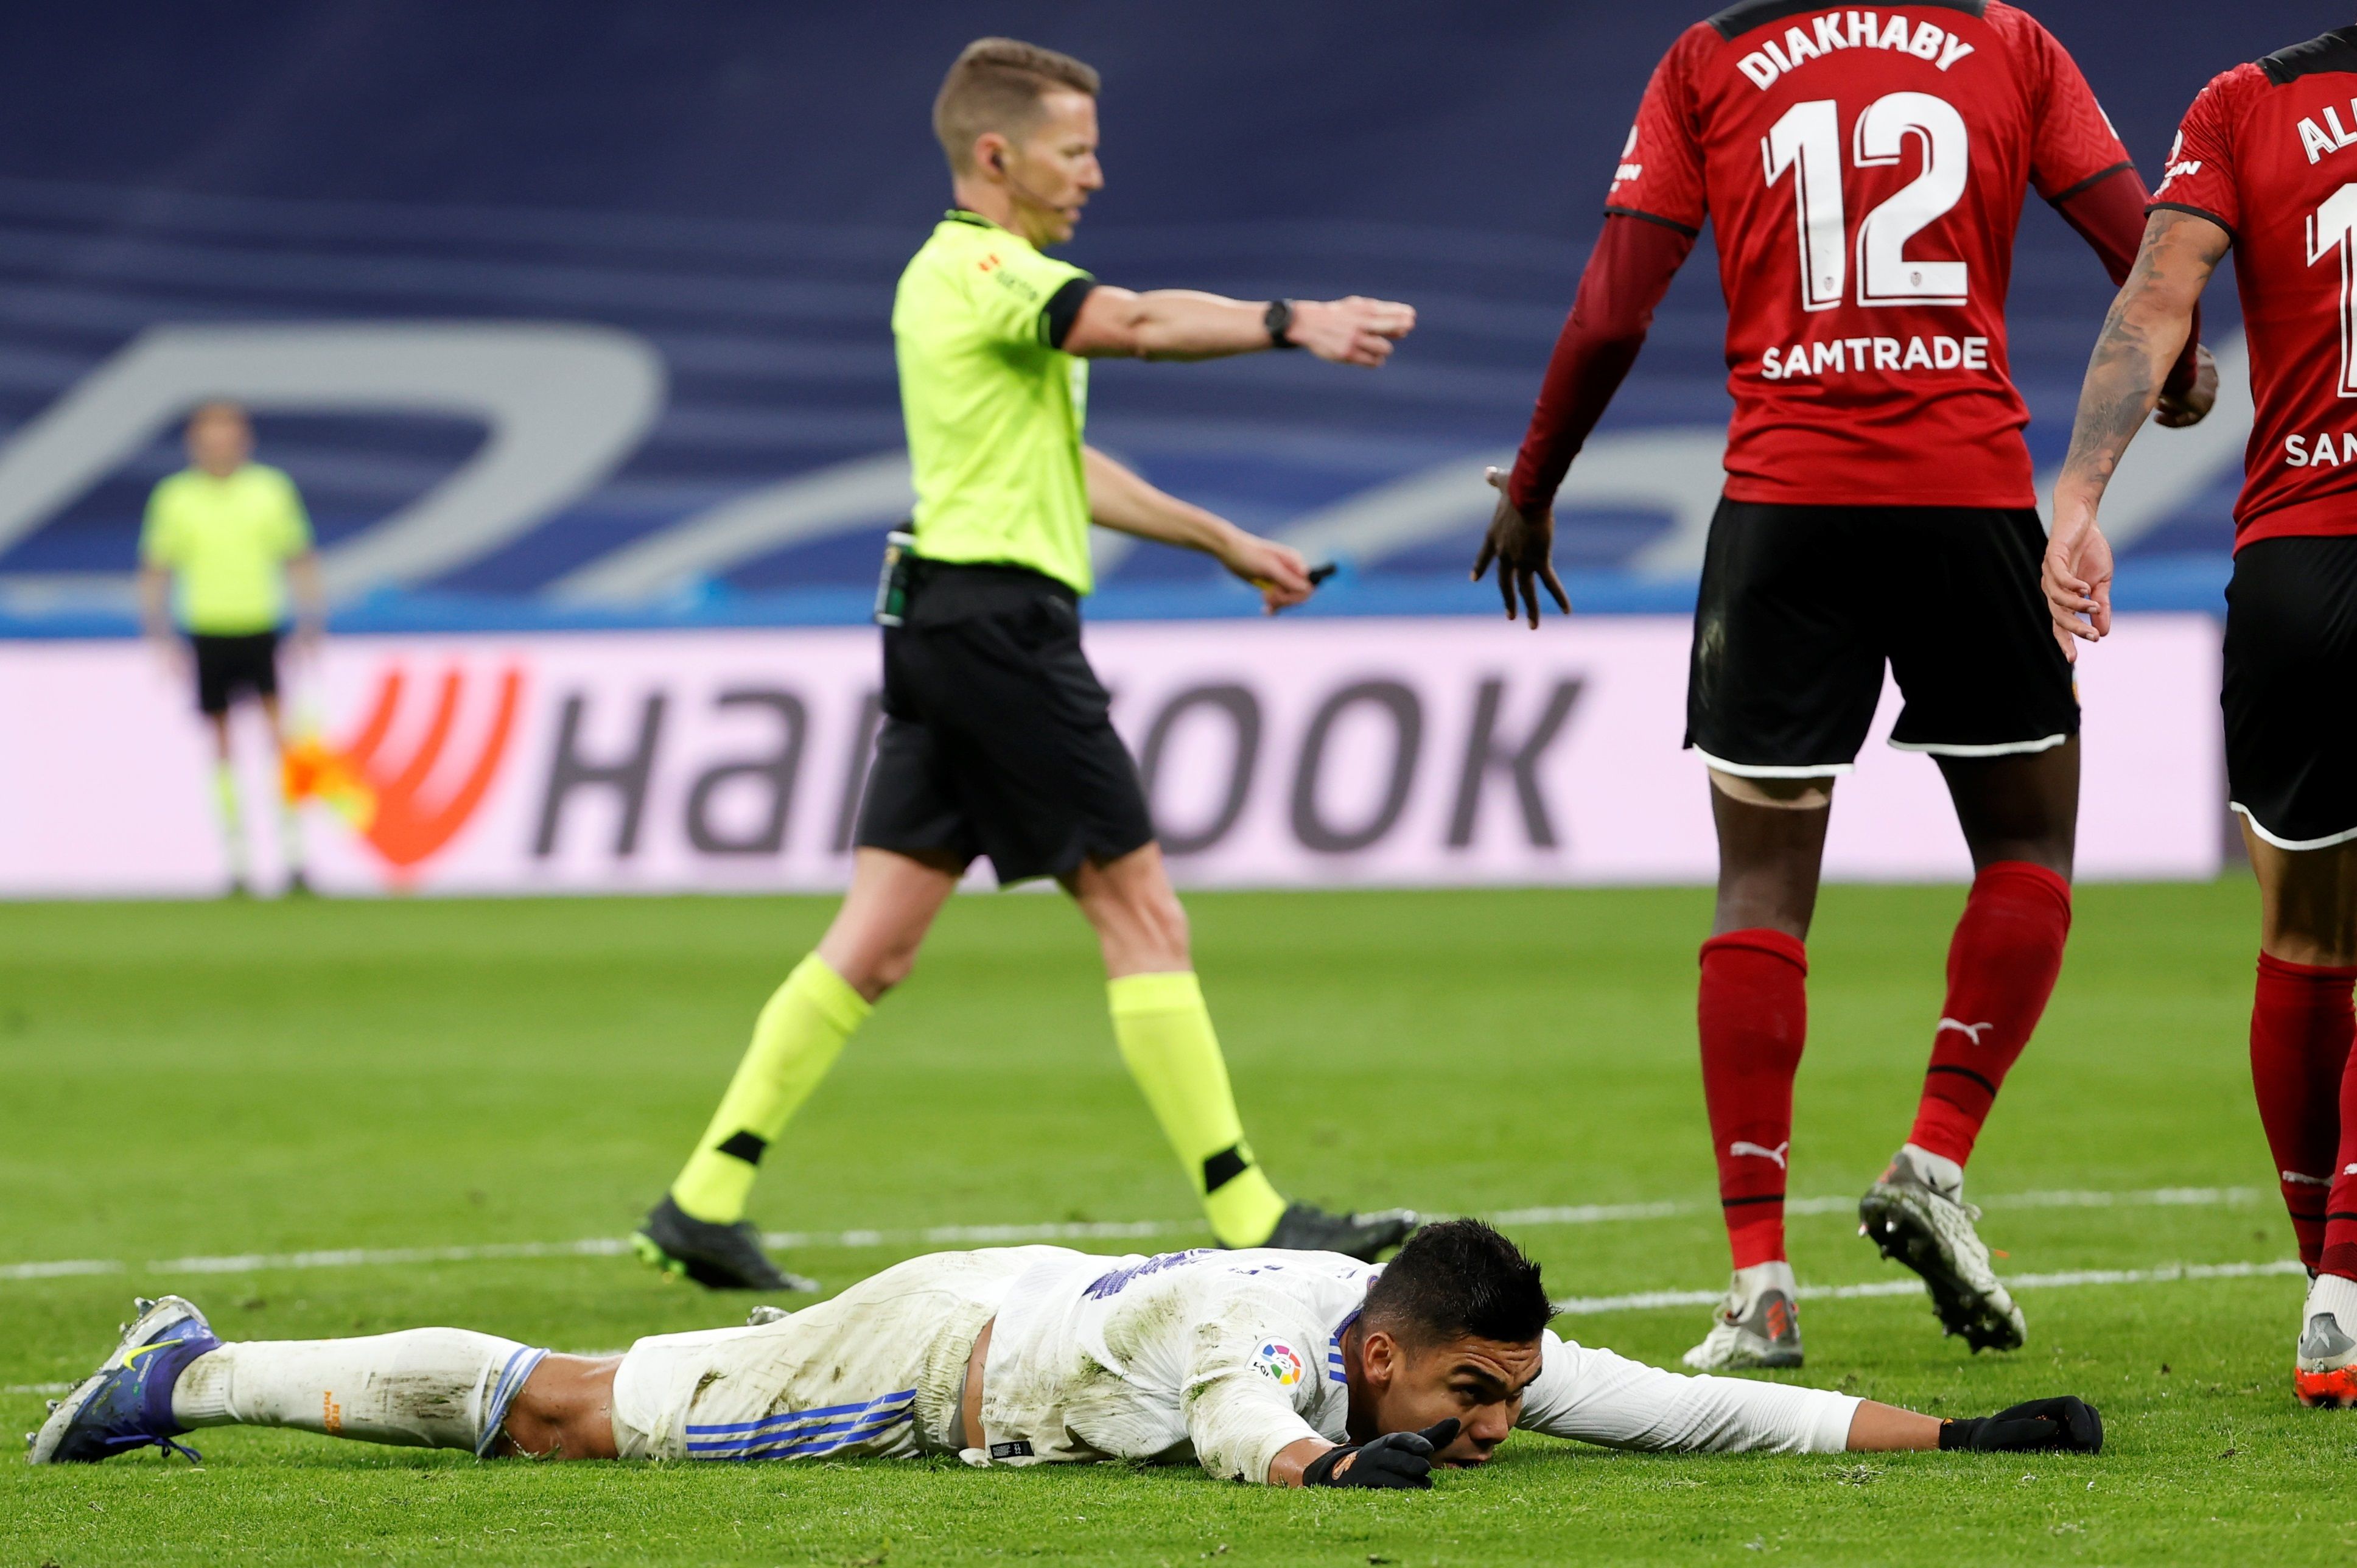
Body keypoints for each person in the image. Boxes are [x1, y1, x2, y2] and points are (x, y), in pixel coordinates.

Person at [1474, 1, 2220, 1370]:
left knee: (1758, 893)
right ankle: (1932, 1155)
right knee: (2026, 847)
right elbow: (2150, 247)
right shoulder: (2009, 43)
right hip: (1969, 496)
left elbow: (1611, 308)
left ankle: (1757, 1283)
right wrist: (2181, 370)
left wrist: (1534, 486)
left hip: (1782, 509)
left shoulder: (1709, 56)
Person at [634, 38, 1421, 1292]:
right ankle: (1251, 1213)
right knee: (1139, 906)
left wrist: (1221, 539)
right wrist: (1294, 321)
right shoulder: (985, 269)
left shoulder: (979, 288)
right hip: (1000, 633)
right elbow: (1141, 324)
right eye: (1075, 150)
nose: (1095, 174)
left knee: (877, 939)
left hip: (946, 624)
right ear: (996, 156)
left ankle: (703, 1194)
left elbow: (1066, 468)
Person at [29, 1218, 2106, 1479]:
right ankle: (190, 1370)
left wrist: (1958, 1432)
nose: (1497, 1423)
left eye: (1494, 1396)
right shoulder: (1263, 1332)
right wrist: (1333, 1475)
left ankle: (192, 1369)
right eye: (1470, 1398)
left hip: (998, 1300)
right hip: (929, 1362)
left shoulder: (1413, 1333)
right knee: (581, 1407)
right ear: (1386, 1352)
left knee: (587, 1388)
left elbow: (1681, 1398)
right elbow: (1242, 1441)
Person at [2047, 19, 2357, 1409]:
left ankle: (2324, 1294)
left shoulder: (2249, 101)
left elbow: (2155, 298)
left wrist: (2079, 498)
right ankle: (2349, 1282)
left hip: (2295, 563)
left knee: (2306, 935)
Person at [136, 402, 324, 898]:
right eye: (209, 437)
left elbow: (298, 557)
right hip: (208, 629)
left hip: (262, 625)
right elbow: (157, 568)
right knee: (221, 744)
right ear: (195, 444)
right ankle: (237, 857)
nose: (219, 445)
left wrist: (310, 621)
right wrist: (159, 633)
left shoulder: (270, 490)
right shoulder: (176, 497)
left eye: (228, 436)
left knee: (281, 740)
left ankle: (294, 854)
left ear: (244, 441)